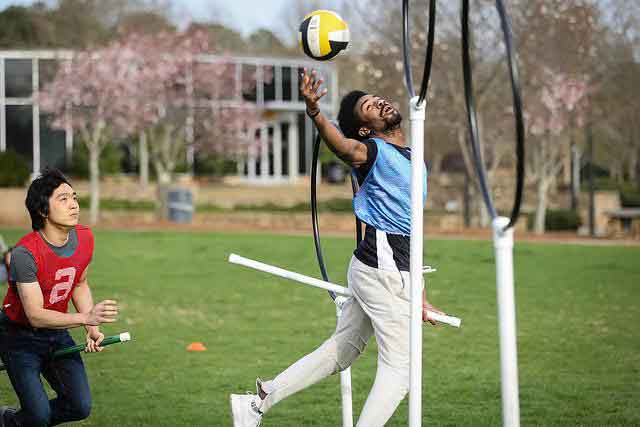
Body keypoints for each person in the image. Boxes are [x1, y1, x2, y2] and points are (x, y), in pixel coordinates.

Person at [230, 69, 447, 427]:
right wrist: (315, 112)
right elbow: (344, 147)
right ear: (365, 128)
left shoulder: (412, 154)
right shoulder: (371, 150)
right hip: (382, 266)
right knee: (401, 368)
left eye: (377, 98)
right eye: (368, 107)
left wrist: (419, 294)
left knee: (343, 351)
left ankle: (259, 400)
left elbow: (414, 232)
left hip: (385, 265)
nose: (379, 102)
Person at [0, 168, 118, 427]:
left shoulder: (85, 237)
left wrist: (92, 327)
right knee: (39, 416)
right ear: (43, 210)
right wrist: (84, 316)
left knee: (79, 406)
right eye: (63, 199)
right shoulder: (24, 253)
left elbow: (80, 283)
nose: (74, 204)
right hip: (19, 337)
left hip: (56, 334)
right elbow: (35, 315)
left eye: (74, 197)